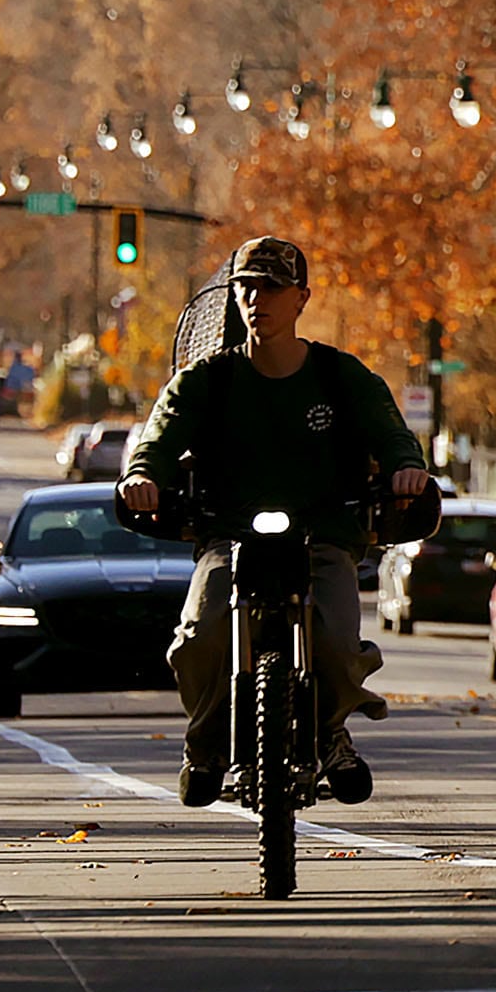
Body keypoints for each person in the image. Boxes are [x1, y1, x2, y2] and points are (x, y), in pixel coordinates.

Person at [119, 235, 428, 811]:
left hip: (324, 541)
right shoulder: (205, 381)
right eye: (246, 287)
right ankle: (206, 744)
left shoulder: (341, 378)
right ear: (233, 297)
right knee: (199, 635)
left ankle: (331, 733)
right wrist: (142, 477)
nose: (257, 298)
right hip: (228, 540)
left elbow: (393, 437)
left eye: (272, 287)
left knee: (338, 641)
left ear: (301, 299)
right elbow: (157, 442)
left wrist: (407, 469)